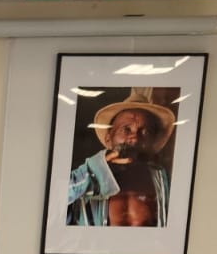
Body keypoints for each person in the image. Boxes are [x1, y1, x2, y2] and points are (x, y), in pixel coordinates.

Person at [66, 88, 176, 228]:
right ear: (108, 139)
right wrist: (96, 169)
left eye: (145, 132)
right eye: (126, 129)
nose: (135, 138)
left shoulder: (164, 180)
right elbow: (52, 202)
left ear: (152, 143)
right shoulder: (85, 176)